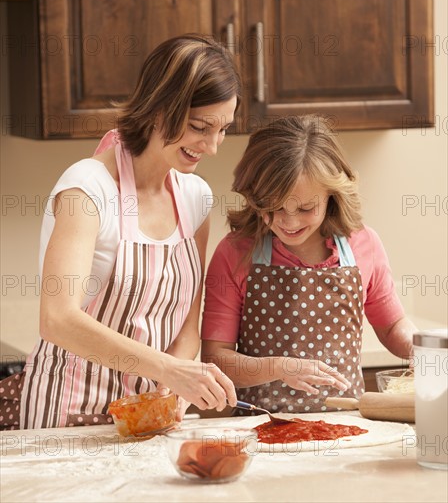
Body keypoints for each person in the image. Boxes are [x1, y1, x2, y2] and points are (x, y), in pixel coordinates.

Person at [1, 34, 240, 430]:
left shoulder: (196, 198)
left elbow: (187, 326)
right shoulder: (88, 188)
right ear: (159, 108)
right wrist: (170, 370)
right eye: (200, 127)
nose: (212, 146)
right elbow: (58, 319)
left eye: (224, 129)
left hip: (151, 413)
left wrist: (177, 389)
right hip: (69, 412)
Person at [201, 115, 417, 414]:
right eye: (272, 208)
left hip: (349, 425)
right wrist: (280, 367)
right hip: (260, 426)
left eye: (305, 208)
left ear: (332, 195)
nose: (288, 222)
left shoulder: (363, 245)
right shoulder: (235, 252)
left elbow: (393, 326)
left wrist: (419, 350)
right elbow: (215, 358)